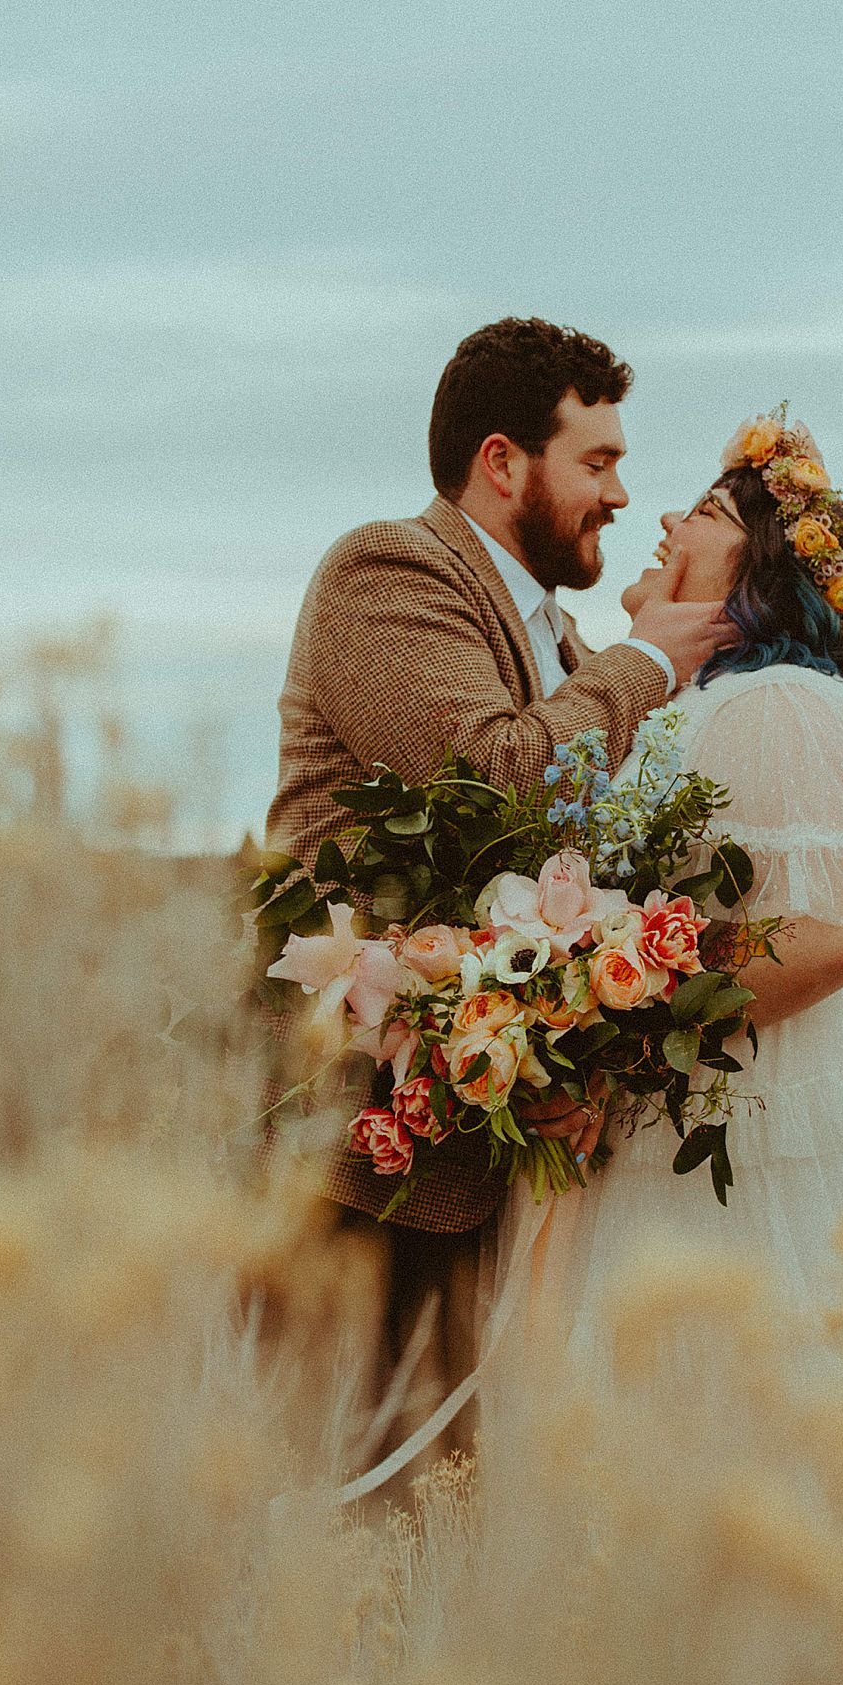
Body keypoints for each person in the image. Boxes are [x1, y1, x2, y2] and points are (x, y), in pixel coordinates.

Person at [261, 317, 736, 1477]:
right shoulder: (388, 571)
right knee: (321, 1499)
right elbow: (497, 776)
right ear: (502, 461)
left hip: (485, 1159)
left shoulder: (564, 649)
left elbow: (563, 882)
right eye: (599, 461)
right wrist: (652, 664)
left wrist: (583, 1051)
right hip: (349, 1159)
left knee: (437, 1515)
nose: (622, 494)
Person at [483, 414, 843, 1380]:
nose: (664, 517)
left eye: (706, 510)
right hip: (675, 1122)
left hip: (752, 1137)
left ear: (758, 574)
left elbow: (839, 932)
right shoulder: (699, 708)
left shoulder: (779, 702)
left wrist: (625, 1018)